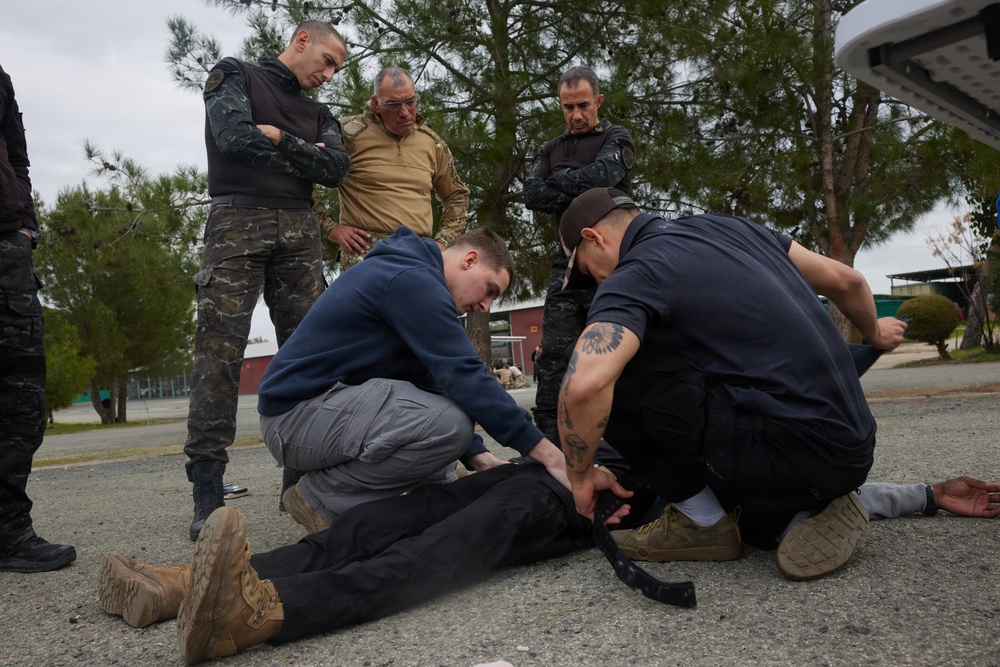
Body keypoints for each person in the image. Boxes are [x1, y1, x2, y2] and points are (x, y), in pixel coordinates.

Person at [97, 464, 1000, 662]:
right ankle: (180, 588)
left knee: (435, 553)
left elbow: (838, 484)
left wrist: (926, 495)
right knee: (394, 516)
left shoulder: (776, 454)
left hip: (588, 504)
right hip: (555, 463)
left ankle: (262, 615)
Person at [555, 187, 911, 582]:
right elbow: (847, 280)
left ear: (593, 237)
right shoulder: (733, 228)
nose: (596, 280)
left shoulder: (634, 273)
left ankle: (703, 524)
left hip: (795, 456)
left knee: (606, 366)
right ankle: (798, 509)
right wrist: (875, 333)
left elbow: (584, 386)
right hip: (855, 445)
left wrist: (581, 476)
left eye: (587, 270)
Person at [256, 226, 567, 531]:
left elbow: (434, 381)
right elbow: (463, 375)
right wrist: (547, 453)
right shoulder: (411, 279)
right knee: (449, 424)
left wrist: (478, 456)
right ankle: (321, 498)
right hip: (294, 419)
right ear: (470, 259)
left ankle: (434, 496)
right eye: (490, 289)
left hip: (316, 415)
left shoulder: (412, 276)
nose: (485, 306)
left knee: (442, 412)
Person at [182, 20, 352, 541]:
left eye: (337, 69)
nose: (329, 75)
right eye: (327, 60)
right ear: (302, 41)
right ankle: (207, 493)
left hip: (300, 230)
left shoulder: (320, 112)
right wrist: (306, 152)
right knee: (219, 356)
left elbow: (338, 168)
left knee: (307, 356)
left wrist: (282, 138)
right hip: (237, 222)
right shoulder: (234, 75)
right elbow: (234, 139)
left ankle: (298, 482)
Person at [523, 65, 635, 446]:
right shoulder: (551, 148)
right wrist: (580, 182)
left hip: (617, 261)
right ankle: (549, 447)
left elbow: (605, 176)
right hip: (568, 263)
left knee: (626, 349)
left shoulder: (616, 137)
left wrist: (560, 182)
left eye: (583, 105)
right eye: (567, 107)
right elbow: (533, 196)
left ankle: (626, 443)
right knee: (554, 354)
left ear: (598, 101)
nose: (575, 115)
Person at [0, 64, 76, 572]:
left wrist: (24, 225)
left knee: (19, 399)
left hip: (6, 249)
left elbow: (18, 157)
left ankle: (8, 532)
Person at [326, 66, 469, 270]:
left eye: (410, 102)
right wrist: (331, 228)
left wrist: (442, 243)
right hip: (366, 255)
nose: (404, 112)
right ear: (376, 103)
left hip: (418, 256)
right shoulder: (347, 133)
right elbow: (301, 176)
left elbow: (457, 195)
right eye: (393, 105)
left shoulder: (431, 142)